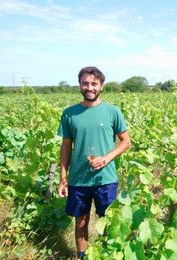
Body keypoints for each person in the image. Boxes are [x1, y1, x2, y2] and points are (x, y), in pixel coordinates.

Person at [57, 66, 131, 259]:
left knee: (108, 221)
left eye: (94, 83)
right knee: (80, 221)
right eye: (85, 83)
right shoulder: (69, 113)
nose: (89, 87)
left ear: (101, 86)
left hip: (105, 179)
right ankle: (82, 256)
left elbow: (126, 141)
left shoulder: (112, 112)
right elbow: (66, 146)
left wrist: (106, 158)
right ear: (80, 85)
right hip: (78, 180)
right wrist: (63, 178)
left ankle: (107, 255)